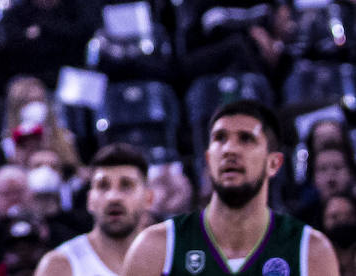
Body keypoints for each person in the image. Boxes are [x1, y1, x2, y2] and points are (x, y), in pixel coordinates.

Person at [121, 100, 339, 276]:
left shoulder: (310, 250)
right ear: (208, 159)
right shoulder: (156, 246)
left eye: (246, 139)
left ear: (274, 163)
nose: (229, 149)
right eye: (220, 138)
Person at [35, 144, 154, 276]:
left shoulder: (172, 259)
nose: (113, 197)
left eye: (126, 185)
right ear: (90, 200)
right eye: (103, 186)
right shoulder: (60, 265)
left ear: (148, 198)